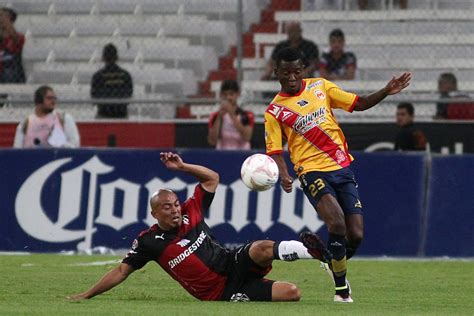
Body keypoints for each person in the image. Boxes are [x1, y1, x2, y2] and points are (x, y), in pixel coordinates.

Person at [68, 152, 332, 302]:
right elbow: (122, 271)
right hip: (220, 292)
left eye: (175, 203)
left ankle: (319, 254)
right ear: (154, 213)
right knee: (293, 294)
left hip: (232, 263)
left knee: (262, 247)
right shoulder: (149, 241)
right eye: (167, 207)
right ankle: (259, 285)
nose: (175, 209)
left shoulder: (190, 210)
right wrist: (87, 294)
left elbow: (212, 179)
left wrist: (182, 167)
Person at [264, 47, 411, 303]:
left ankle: (328, 257)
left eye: (296, 71)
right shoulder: (274, 111)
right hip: (310, 170)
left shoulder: (321, 87)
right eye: (285, 72)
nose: (291, 77)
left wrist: (387, 91)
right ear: (276, 72)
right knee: (337, 224)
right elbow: (275, 151)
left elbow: (360, 104)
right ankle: (341, 291)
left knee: (356, 235)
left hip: (341, 168)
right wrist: (284, 174)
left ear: (303, 70)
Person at [13, 85, 80, 148]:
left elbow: (75, 145)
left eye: (54, 98)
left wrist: (60, 143)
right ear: (38, 101)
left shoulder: (64, 118)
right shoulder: (25, 123)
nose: (53, 101)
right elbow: (17, 149)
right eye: (49, 98)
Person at [208, 80, 255, 150]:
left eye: (231, 94)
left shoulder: (246, 115)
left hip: (242, 153)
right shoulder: (215, 116)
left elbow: (247, 137)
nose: (228, 98)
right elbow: (212, 141)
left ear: (237, 94)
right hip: (223, 153)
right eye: (225, 95)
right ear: (221, 95)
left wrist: (232, 114)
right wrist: (219, 117)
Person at [91, 43, 133, 118]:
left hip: (103, 114)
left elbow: (94, 98)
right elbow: (128, 96)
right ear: (117, 57)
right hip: (121, 114)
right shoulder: (125, 75)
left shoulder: (98, 76)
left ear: (103, 57)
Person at [0, 7, 26, 83]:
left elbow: (16, 38)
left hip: (13, 74)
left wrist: (5, 20)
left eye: (3, 16)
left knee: (9, 71)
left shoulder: (19, 37)